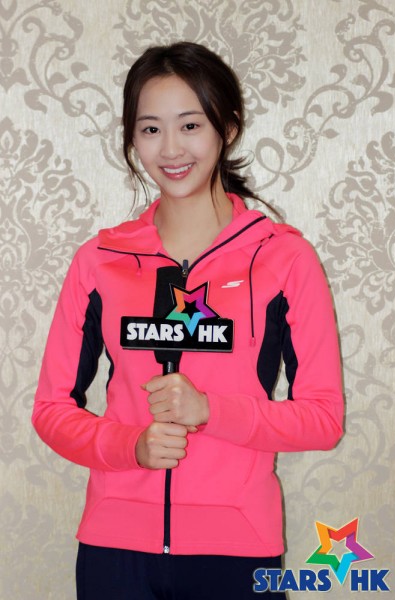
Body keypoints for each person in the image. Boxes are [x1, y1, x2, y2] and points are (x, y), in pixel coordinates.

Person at [32, 42, 344, 599]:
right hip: (114, 552)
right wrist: (130, 446)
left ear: (228, 128)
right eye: (151, 129)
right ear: (132, 138)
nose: (171, 148)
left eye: (191, 125)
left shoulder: (283, 259)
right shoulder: (100, 262)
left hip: (238, 552)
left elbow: (323, 419)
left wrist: (211, 411)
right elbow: (51, 410)